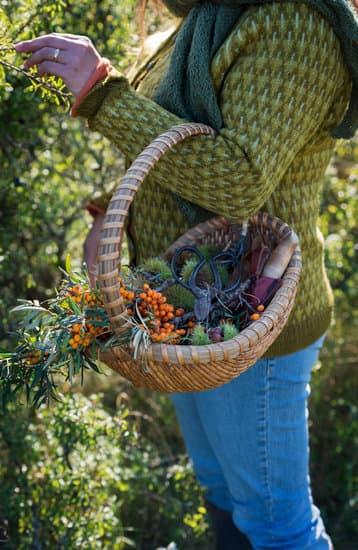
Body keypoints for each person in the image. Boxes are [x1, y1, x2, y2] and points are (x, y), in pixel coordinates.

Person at [15, 1, 358, 548]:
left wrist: (103, 92)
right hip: (185, 308)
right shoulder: (208, 16)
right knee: (221, 489)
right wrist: (109, 213)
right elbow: (165, 139)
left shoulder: (296, 23)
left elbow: (238, 179)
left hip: (250, 324)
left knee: (276, 522)